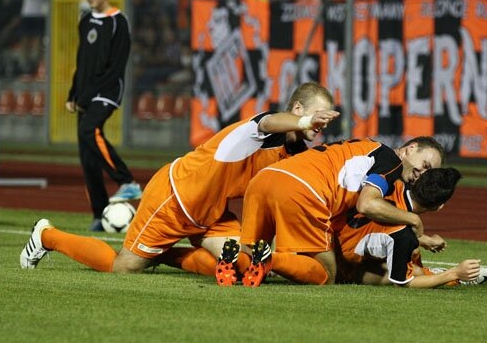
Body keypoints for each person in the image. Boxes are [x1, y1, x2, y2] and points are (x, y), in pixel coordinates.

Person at [20, 83, 339, 275]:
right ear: (298, 108)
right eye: (317, 113)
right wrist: (304, 121)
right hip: (175, 197)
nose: (322, 121)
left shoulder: (296, 156)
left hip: (212, 213)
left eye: (325, 116)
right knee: (124, 267)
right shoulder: (261, 128)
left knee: (241, 267)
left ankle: (161, 255)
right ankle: (47, 236)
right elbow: (269, 122)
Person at [215, 136, 445, 287]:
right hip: (302, 189)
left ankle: (236, 258)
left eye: (429, 173)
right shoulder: (391, 162)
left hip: (263, 180)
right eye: (425, 165)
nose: (422, 175)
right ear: (411, 148)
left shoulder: (365, 146)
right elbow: (368, 205)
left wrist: (420, 238)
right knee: (326, 274)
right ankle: (270, 258)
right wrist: (414, 219)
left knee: (249, 261)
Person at [66, 0, 141, 231]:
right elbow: (81, 61)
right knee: (87, 157)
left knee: (89, 130)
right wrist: (74, 93)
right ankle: (99, 215)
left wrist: (89, 94)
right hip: (85, 94)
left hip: (108, 91)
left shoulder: (119, 22)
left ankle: (127, 182)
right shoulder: (85, 20)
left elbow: (116, 67)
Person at [334, 167, 487, 288]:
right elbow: (405, 284)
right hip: (339, 265)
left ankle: (425, 271)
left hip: (333, 238)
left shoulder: (392, 183)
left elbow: (379, 224)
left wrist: (423, 239)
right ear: (439, 206)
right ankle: (448, 278)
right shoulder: (403, 235)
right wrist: (455, 273)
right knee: (415, 272)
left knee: (412, 248)